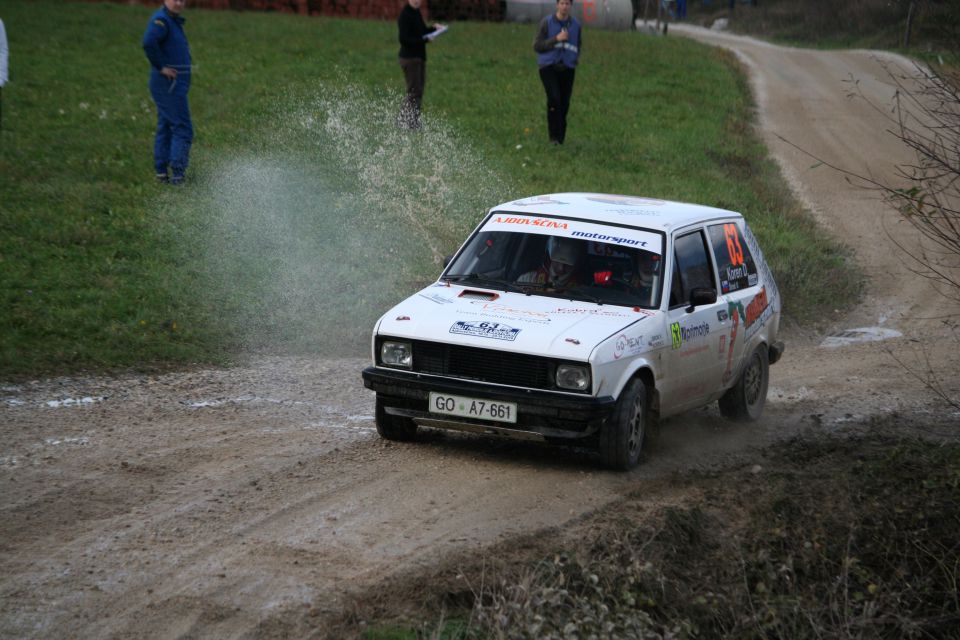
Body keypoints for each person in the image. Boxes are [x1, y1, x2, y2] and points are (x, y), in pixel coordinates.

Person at [143, 0, 193, 185]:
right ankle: (178, 175)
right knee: (183, 129)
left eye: (182, 0)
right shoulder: (161, 20)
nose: (179, 3)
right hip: (168, 84)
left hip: (173, 83)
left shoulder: (172, 20)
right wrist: (161, 66)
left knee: (166, 125)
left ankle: (161, 172)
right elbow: (149, 42)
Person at [533, 0, 581, 145]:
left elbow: (578, 44)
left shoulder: (576, 25)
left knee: (564, 103)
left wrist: (574, 60)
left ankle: (561, 137)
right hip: (548, 66)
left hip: (567, 68)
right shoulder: (547, 22)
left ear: (571, 6)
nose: (564, 6)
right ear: (557, 5)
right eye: (562, 3)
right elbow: (537, 45)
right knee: (554, 98)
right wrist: (556, 39)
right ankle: (553, 137)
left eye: (567, 3)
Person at [397, 0, 445, 130]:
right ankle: (404, 121)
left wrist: (434, 28)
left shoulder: (416, 12)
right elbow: (404, 39)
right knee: (414, 91)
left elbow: (422, 31)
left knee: (418, 91)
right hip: (410, 58)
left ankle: (412, 121)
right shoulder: (405, 15)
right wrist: (424, 40)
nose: (417, 0)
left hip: (419, 58)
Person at [517, 236, 584, 288]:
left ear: (577, 263)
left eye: (567, 264)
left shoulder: (582, 291)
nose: (561, 268)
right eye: (557, 261)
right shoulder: (527, 279)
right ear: (549, 257)